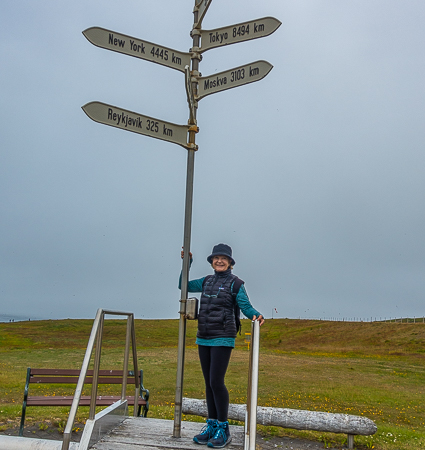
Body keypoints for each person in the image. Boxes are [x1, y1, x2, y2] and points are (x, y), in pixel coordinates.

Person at [179, 243, 264, 448]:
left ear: (230, 262)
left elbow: (245, 305)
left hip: (223, 337)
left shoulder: (236, 284)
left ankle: (223, 428)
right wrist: (187, 263)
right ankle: (212, 424)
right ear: (211, 262)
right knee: (208, 383)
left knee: (217, 381)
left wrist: (255, 315)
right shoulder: (206, 281)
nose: (219, 261)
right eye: (216, 258)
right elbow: (183, 285)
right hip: (203, 336)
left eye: (223, 258)